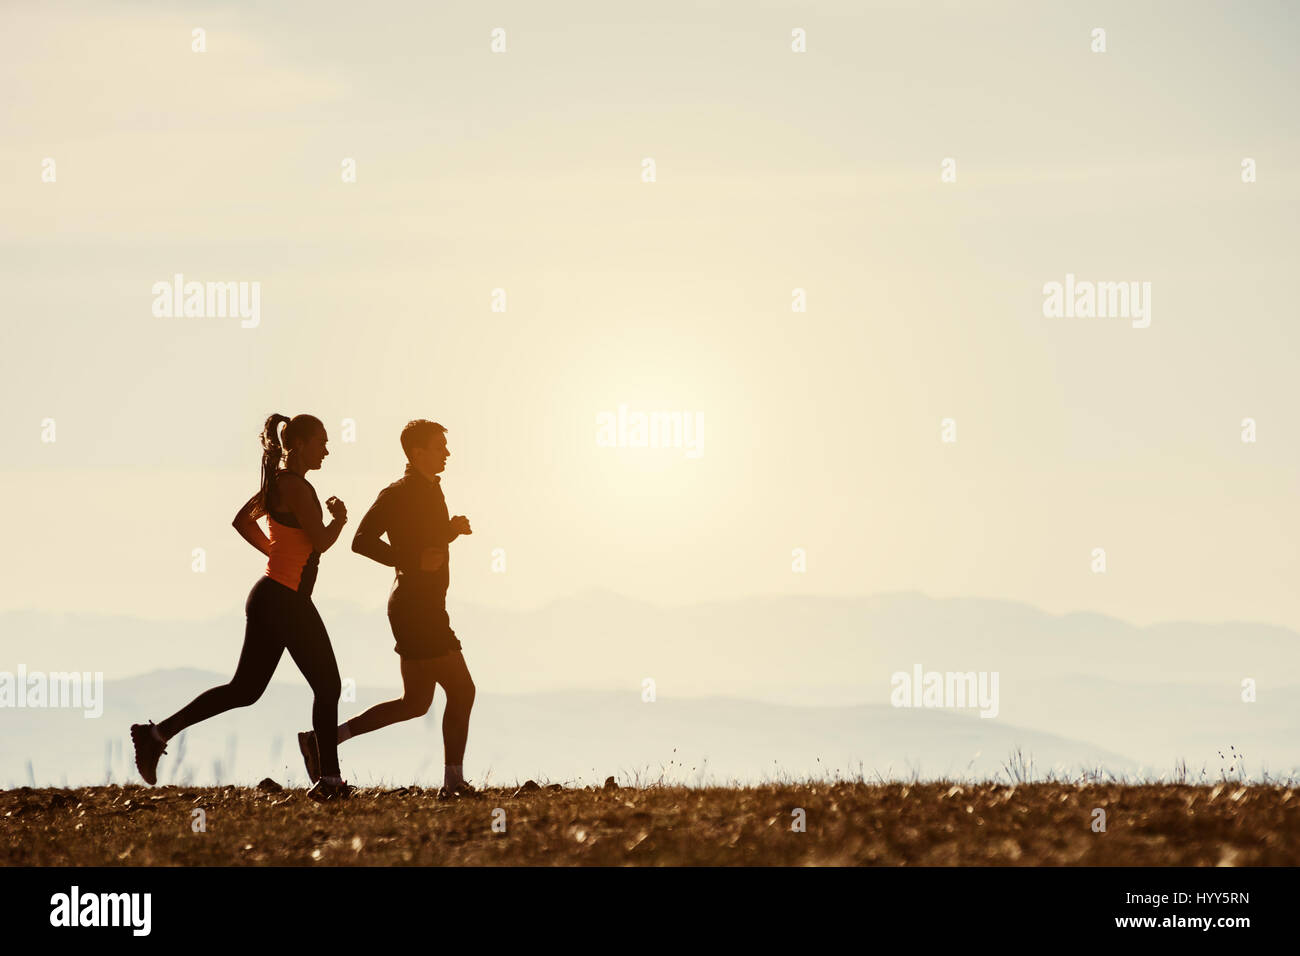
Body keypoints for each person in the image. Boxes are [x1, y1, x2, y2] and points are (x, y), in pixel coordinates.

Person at [130, 413, 354, 801]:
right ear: (299, 444)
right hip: (285, 600)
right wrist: (341, 519)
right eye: (322, 442)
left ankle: (155, 735)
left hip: (272, 595)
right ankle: (330, 782)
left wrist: (276, 554)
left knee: (244, 690)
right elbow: (320, 542)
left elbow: (242, 521)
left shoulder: (277, 484)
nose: (327, 450)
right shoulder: (297, 487)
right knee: (328, 685)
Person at [297, 419, 478, 798]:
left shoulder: (432, 490)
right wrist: (411, 561)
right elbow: (361, 541)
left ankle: (322, 740)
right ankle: (453, 784)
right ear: (417, 452)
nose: (448, 452)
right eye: (440, 446)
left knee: (415, 703)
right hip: (415, 608)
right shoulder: (398, 493)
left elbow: (424, 539)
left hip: (425, 605)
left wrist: (450, 530)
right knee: (462, 691)